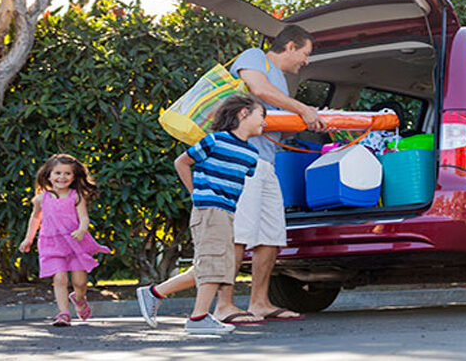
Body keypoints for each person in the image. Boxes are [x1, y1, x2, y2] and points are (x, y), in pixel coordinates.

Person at [218, 24, 325, 321]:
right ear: (289, 46)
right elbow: (259, 90)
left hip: (267, 163)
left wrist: (306, 119)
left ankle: (260, 302)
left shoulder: (282, 83)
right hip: (242, 162)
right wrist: (302, 109)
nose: (306, 61)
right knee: (239, 235)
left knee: (271, 234)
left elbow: (273, 120)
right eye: (305, 53)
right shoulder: (255, 57)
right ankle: (224, 305)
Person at [137, 95, 267, 334]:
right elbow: (181, 162)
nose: (265, 123)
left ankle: (154, 293)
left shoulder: (251, 155)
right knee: (214, 262)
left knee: (214, 264)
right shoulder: (215, 141)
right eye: (261, 116)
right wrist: (196, 193)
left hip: (227, 211)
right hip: (210, 209)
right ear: (243, 114)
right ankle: (197, 318)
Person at [19, 154, 111, 327]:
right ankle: (63, 314)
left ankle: (79, 299)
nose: (62, 177)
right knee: (60, 278)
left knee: (79, 282)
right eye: (57, 173)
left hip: (75, 242)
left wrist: (82, 229)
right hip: (51, 244)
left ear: (74, 176)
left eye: (67, 173)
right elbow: (35, 219)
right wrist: (28, 239)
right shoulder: (41, 198)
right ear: (48, 175)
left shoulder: (76, 196)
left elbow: (84, 218)